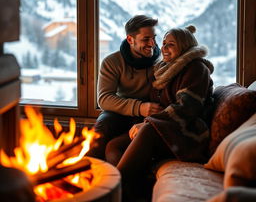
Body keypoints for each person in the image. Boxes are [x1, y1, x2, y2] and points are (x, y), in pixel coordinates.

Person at [105, 25, 214, 201]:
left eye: (170, 44)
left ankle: (112, 192)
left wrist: (147, 122)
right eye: (163, 43)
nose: (163, 48)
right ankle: (130, 193)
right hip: (163, 128)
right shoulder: (165, 70)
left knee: (147, 130)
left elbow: (186, 109)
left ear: (185, 47)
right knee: (113, 146)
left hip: (188, 133)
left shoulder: (196, 68)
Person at [86, 15, 163, 159]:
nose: (152, 44)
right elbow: (104, 99)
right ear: (130, 40)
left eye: (154, 38)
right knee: (102, 126)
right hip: (121, 112)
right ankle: (87, 171)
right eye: (146, 39)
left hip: (150, 115)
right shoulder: (112, 62)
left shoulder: (162, 61)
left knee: (116, 150)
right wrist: (139, 107)